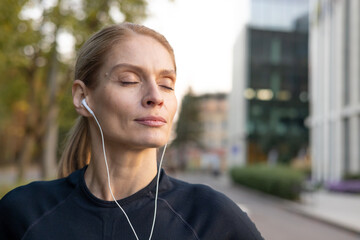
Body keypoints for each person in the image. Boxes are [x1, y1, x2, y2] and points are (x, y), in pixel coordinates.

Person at [0, 22, 263, 240]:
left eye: (166, 84)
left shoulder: (212, 218)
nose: (155, 96)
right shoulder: (24, 213)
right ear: (82, 97)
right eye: (130, 80)